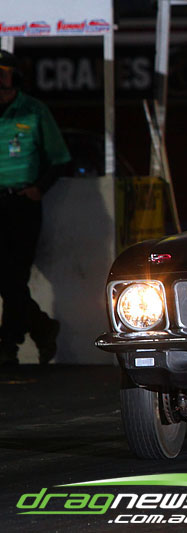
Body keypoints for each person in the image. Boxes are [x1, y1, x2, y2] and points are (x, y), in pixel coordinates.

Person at [0, 49, 69, 368]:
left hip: (21, 205)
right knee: (7, 278)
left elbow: (60, 158)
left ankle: (9, 344)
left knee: (14, 275)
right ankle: (40, 327)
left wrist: (39, 188)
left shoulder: (34, 111)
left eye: (4, 73)